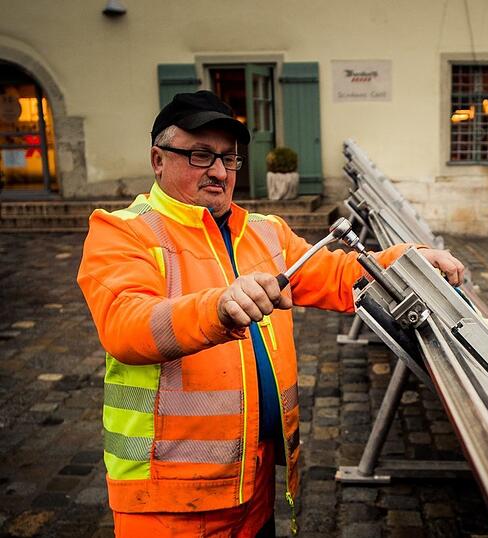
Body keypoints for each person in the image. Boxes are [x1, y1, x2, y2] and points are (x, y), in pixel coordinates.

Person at [77, 90, 465, 536]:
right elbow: (126, 327)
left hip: (254, 480)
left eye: (230, 158)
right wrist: (218, 307)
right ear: (158, 159)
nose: (219, 172)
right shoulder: (121, 231)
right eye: (201, 155)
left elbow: (337, 274)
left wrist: (409, 260)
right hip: (168, 499)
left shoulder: (264, 232)